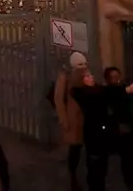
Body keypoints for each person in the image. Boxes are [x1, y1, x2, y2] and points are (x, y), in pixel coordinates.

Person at [54, 52, 89, 189]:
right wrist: (63, 119)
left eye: (84, 64)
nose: (83, 67)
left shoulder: (86, 74)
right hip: (73, 118)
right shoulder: (66, 77)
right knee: (75, 148)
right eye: (79, 65)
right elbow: (58, 99)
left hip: (86, 117)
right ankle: (73, 176)